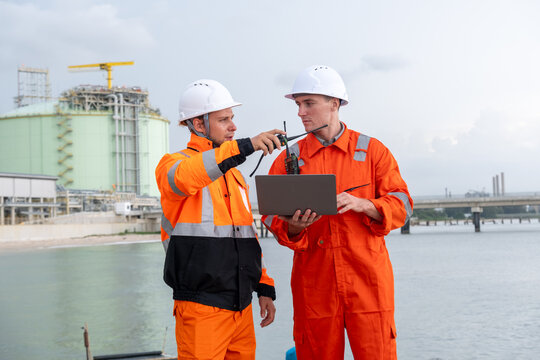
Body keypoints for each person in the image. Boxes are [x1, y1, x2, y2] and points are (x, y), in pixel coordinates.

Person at [262, 65, 413, 360]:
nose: (300, 112)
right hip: (315, 285)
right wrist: (294, 227)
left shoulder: (372, 152)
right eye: (298, 105)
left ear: (334, 103)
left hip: (368, 282)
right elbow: (271, 217)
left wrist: (365, 204)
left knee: (377, 353)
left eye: (309, 103)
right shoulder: (288, 159)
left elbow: (403, 204)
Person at [156, 79, 284, 359]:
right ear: (198, 125)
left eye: (232, 118)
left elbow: (246, 238)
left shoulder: (235, 176)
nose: (233, 126)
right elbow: (189, 176)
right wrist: (245, 146)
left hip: (241, 307)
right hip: (201, 309)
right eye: (223, 119)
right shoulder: (172, 165)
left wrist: (264, 286)